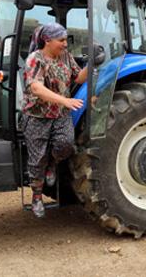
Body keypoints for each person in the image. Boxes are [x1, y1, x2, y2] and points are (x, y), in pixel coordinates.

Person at [21, 22, 87, 218]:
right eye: (61, 40)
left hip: (60, 114)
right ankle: (37, 197)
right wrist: (65, 100)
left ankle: (52, 165)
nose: (65, 44)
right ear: (47, 41)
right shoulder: (35, 59)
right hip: (36, 116)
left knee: (66, 145)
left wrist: (92, 64)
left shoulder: (65, 57)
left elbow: (78, 78)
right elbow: (36, 88)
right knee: (36, 160)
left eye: (66, 39)